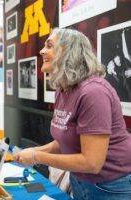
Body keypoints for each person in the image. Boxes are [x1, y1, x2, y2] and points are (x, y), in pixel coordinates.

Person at [14, 28, 131, 200]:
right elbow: (66, 140)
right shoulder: (64, 88)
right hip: (79, 179)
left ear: (69, 51)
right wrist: (35, 150)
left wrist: (36, 156)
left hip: (110, 186)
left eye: (49, 45)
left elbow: (92, 163)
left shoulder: (93, 92)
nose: (41, 51)